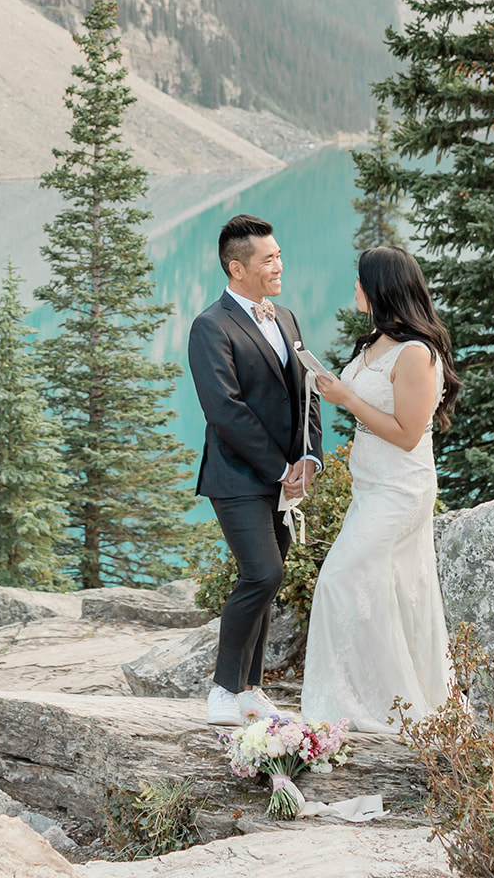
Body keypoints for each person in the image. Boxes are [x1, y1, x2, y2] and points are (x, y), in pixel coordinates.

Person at [299, 244, 460, 731]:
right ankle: (384, 694)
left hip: (400, 488)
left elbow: (409, 434)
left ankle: (367, 704)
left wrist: (346, 399)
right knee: (386, 588)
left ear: (381, 288)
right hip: (370, 487)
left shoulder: (416, 353)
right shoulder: (375, 341)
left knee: (340, 580)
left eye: (360, 280)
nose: (354, 287)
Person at [188, 214, 324, 727]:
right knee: (262, 572)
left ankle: (251, 688)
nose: (279, 266)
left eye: (279, 255)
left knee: (268, 580)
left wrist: (308, 458)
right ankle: (223, 689)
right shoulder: (210, 326)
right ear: (237, 268)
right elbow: (225, 409)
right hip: (238, 477)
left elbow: (309, 391)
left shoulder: (285, 317)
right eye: (269, 259)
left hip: (286, 477)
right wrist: (278, 466)